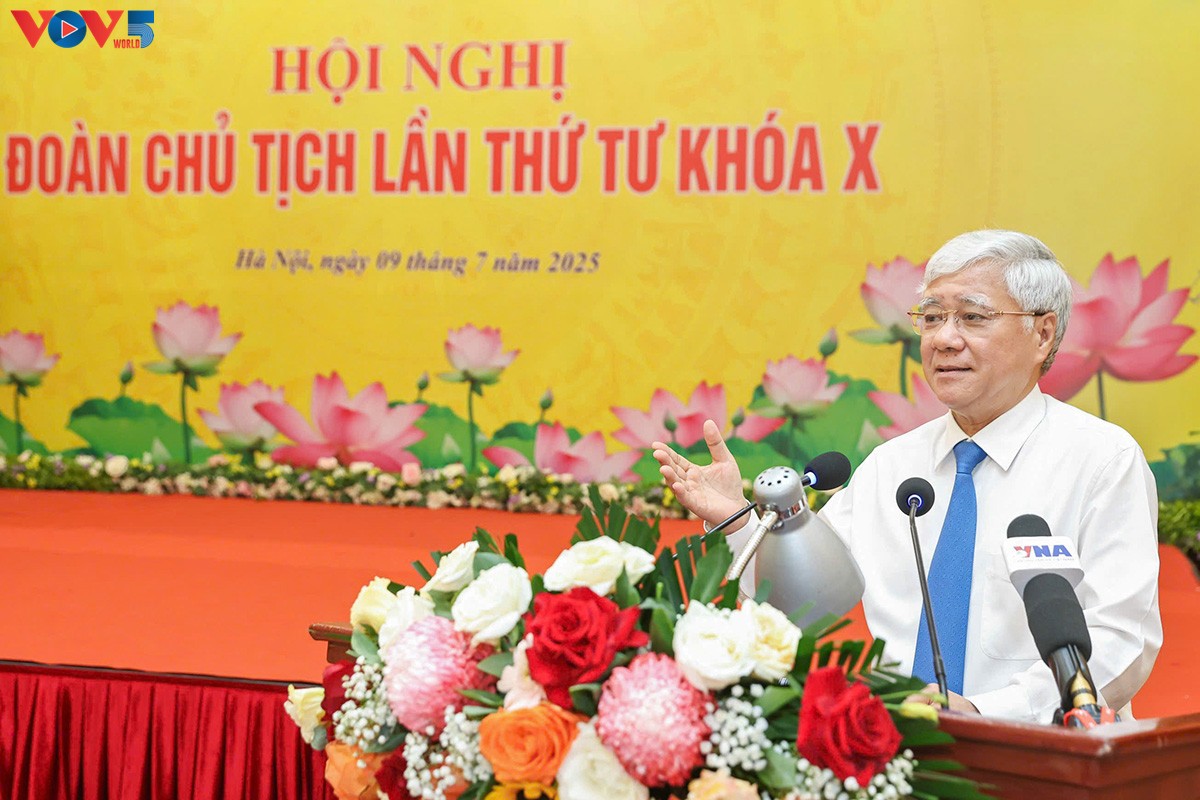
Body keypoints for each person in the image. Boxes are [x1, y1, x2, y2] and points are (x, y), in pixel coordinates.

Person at [654, 230, 1162, 723]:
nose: (943, 339)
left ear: (1042, 334)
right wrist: (738, 520)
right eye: (933, 317)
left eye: (972, 317)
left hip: (1047, 750)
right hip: (900, 746)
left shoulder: (1102, 460)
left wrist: (989, 713)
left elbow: (1122, 638)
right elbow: (805, 597)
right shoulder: (892, 466)